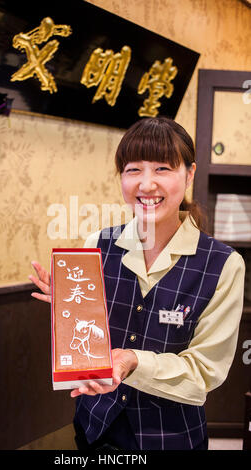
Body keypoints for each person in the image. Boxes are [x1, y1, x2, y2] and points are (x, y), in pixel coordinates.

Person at [29, 117, 245, 451]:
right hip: (94, 430)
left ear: (189, 174)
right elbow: (86, 342)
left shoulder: (223, 264)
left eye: (162, 169)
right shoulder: (97, 244)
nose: (146, 184)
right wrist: (70, 311)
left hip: (173, 438)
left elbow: (205, 371)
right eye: (133, 170)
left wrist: (133, 360)